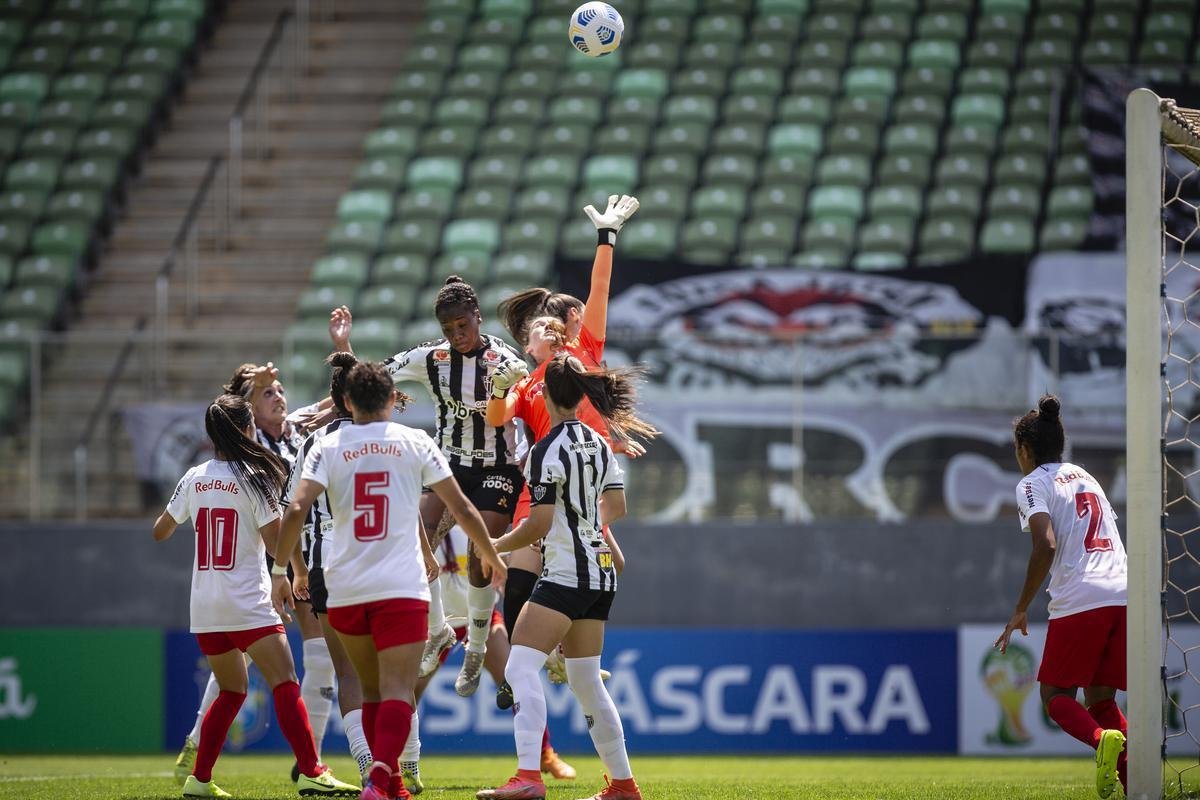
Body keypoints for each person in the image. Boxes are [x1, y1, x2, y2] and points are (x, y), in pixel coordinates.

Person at [273, 360, 508, 800]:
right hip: (400, 585)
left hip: (344, 586)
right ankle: (381, 780)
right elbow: (461, 507)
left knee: (370, 690)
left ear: (346, 401)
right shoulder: (414, 440)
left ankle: (393, 783)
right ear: (392, 399)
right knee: (398, 688)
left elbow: (296, 509)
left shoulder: (326, 445)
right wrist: (491, 554)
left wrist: (283, 571)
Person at [153, 394, 359, 799]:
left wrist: (189, 511)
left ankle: (199, 779)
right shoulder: (255, 477)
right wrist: (296, 572)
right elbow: (276, 540)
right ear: (247, 429)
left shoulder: (194, 476)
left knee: (232, 690)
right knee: (286, 681)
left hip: (205, 606)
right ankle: (313, 770)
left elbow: (161, 530)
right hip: (247, 600)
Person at [488, 196, 644, 726]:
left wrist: (606, 237)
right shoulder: (525, 380)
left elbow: (600, 291)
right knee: (522, 573)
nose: (542, 334)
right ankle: (523, 666)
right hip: (542, 485)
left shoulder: (583, 356)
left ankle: (566, 652)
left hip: (583, 486)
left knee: (605, 565)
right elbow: (498, 417)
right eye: (536, 330)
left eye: (548, 326)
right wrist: (499, 389)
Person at [340, 276, 527, 699]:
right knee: (413, 538)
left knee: (480, 556)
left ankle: (476, 647)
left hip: (498, 468)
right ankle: (439, 630)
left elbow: (534, 406)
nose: (457, 336)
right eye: (448, 329)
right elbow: (371, 379)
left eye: (463, 326)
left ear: (477, 317)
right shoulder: (431, 358)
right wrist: (344, 347)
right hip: (449, 466)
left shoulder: (505, 361)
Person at [479, 354, 653, 800]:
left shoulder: (546, 450)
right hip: (600, 573)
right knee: (586, 680)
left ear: (543, 394)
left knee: (519, 667)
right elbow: (617, 507)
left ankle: (528, 778)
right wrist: (583, 526)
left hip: (567, 574)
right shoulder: (598, 442)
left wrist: (493, 545)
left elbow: (537, 524)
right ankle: (623, 784)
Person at [995, 394, 1128, 799]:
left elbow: (1046, 544)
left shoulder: (1031, 483)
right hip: (1125, 593)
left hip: (1082, 596)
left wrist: (1020, 608)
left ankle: (1100, 740)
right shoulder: (1086, 477)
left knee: (1054, 695)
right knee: (1101, 700)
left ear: (1024, 450)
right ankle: (1139, 785)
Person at [284, 352, 375, 781]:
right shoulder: (388, 438)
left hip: (325, 565)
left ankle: (367, 764)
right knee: (390, 673)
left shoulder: (313, 444)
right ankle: (401, 764)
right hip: (379, 564)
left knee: (347, 673)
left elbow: (292, 510)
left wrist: (293, 570)